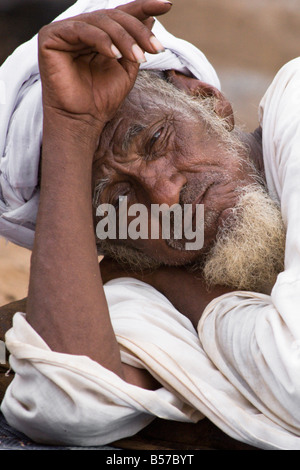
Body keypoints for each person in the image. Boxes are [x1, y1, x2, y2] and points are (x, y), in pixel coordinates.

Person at [1, 0, 300, 450]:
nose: (164, 195)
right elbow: (63, 406)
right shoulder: (144, 284)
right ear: (113, 245)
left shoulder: (294, 104)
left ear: (206, 100)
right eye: (117, 199)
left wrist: (178, 287)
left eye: (155, 141)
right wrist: (70, 126)